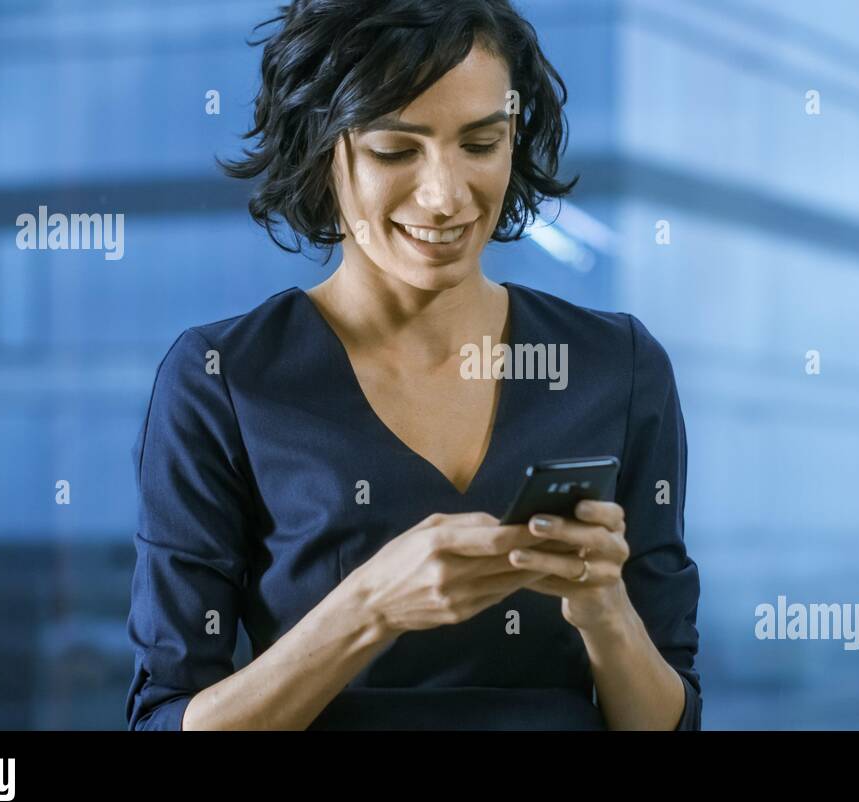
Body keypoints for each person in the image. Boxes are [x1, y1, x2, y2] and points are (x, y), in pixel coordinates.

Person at [125, 0, 701, 730]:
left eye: (480, 144)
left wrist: (606, 613)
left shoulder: (615, 366)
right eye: (397, 150)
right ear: (322, 147)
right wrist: (368, 610)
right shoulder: (222, 379)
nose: (446, 195)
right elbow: (165, 718)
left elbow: (672, 714)